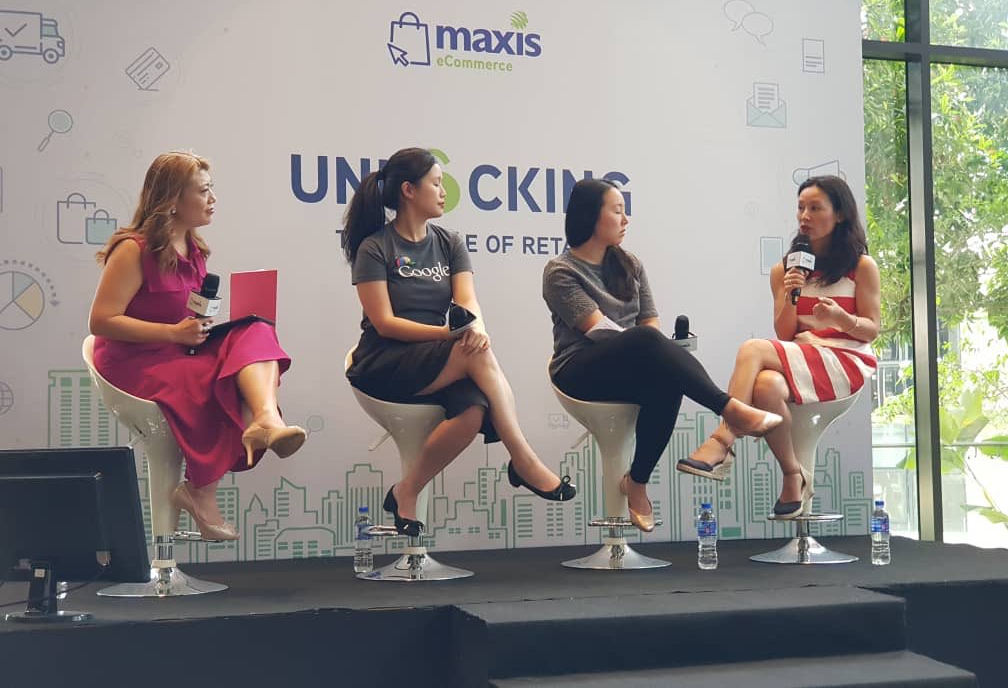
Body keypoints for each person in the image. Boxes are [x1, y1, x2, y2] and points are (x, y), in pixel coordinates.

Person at [343, 147, 576, 536]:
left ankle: (405, 491)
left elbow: (468, 301)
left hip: (440, 356)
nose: (443, 191)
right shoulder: (376, 247)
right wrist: (451, 335)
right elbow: (384, 323)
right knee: (475, 355)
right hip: (385, 361)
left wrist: (475, 330)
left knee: (472, 410)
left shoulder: (448, 242)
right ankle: (523, 460)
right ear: (408, 190)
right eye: (436, 183)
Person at [543, 178, 782, 532]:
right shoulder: (561, 271)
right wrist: (648, 347)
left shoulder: (631, 264)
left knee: (667, 379)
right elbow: (597, 330)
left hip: (630, 363)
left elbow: (650, 321)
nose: (626, 220)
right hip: (579, 370)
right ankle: (730, 410)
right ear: (591, 216)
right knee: (647, 342)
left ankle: (637, 481)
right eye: (617, 211)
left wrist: (655, 351)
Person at [90, 151, 305, 541]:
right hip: (133, 361)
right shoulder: (133, 249)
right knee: (221, 381)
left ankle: (265, 420)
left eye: (211, 189)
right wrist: (174, 334)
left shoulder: (196, 250)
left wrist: (196, 330)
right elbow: (102, 321)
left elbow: (184, 316)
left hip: (178, 350)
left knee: (256, 330)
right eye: (204, 191)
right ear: (172, 199)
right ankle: (201, 490)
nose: (213, 199)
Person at [677, 175, 880, 518]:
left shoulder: (861, 266)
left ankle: (723, 441)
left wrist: (841, 319)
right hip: (803, 354)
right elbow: (786, 333)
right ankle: (792, 474)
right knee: (766, 386)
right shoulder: (784, 269)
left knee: (753, 349)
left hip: (846, 357)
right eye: (801, 208)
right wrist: (790, 294)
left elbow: (872, 329)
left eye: (815, 208)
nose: (805, 216)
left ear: (840, 214)